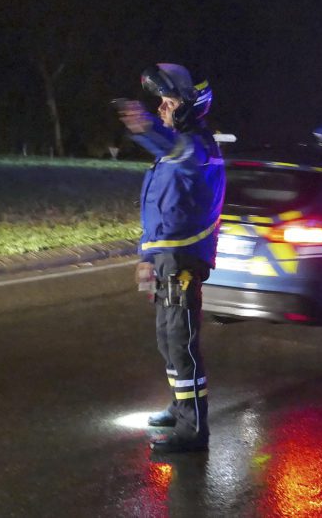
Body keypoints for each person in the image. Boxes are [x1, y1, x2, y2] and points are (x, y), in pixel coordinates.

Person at [115, 63, 226, 453]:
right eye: (159, 104)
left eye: (167, 102)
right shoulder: (176, 153)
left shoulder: (196, 148)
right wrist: (145, 256)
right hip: (164, 259)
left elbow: (170, 145)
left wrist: (144, 126)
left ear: (188, 107)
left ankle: (193, 428)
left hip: (183, 260)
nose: (162, 109)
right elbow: (157, 210)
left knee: (182, 341)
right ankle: (180, 408)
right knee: (167, 339)